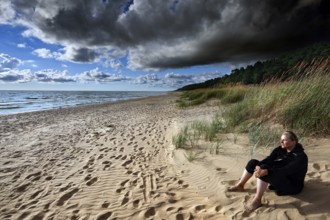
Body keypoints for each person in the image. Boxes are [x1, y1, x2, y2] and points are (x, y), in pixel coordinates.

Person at [227, 131, 308, 212]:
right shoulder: (280, 149)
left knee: (264, 169)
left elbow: (286, 170)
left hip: (292, 185)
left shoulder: (300, 157)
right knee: (253, 163)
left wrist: (267, 171)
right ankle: (240, 185)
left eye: (284, 140)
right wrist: (258, 166)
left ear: (293, 141)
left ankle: (257, 200)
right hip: (281, 177)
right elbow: (269, 159)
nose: (281, 142)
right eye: (281, 140)